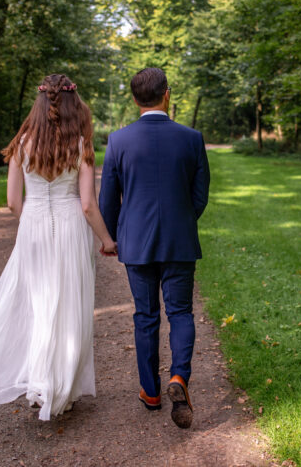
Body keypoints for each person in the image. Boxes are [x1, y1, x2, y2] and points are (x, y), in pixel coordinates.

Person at [0, 74, 117, 421]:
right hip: (70, 225)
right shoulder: (80, 144)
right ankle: (62, 388)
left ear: (40, 102)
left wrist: (32, 216)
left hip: (32, 226)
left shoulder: (21, 143)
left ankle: (41, 384)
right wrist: (106, 239)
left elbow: (13, 202)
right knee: (68, 305)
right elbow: (88, 204)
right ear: (74, 105)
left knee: (39, 304)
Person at [99, 67, 210, 429]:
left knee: (145, 316)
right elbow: (200, 195)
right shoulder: (192, 138)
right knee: (180, 313)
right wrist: (181, 220)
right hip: (179, 241)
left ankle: (151, 392)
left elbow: (108, 200)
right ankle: (179, 377)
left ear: (134, 100)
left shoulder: (118, 140)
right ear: (167, 94)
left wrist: (114, 237)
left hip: (137, 243)